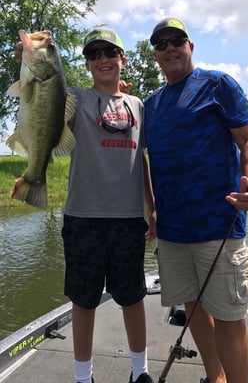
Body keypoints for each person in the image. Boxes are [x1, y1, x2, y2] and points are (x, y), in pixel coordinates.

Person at [15, 27, 156, 383]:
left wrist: (151, 207)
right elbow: (43, 97)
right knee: (84, 300)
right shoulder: (73, 98)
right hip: (83, 218)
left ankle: (139, 371)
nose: (103, 60)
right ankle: (83, 376)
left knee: (132, 297)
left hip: (127, 219)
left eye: (109, 53)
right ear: (88, 64)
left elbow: (143, 161)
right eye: (94, 55)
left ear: (122, 59)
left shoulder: (138, 105)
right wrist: (25, 57)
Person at [144, 18, 248, 383]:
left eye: (176, 40)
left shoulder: (218, 85)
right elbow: (145, 159)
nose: (169, 48)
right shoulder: (151, 105)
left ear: (190, 47)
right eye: (161, 44)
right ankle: (215, 378)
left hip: (219, 224)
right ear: (156, 55)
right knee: (194, 307)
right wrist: (151, 208)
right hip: (173, 230)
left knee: (229, 316)